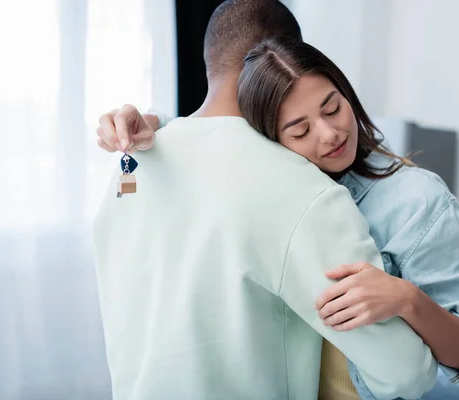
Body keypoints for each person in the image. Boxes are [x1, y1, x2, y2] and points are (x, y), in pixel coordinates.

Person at [93, 1, 438, 400]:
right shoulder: (304, 191)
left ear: (210, 61)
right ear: (285, 65)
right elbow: (402, 372)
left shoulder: (131, 163)